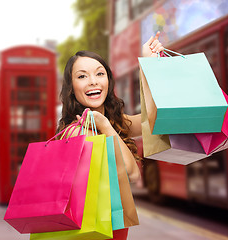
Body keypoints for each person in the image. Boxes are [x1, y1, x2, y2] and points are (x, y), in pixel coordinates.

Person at [56, 32, 163, 239]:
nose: (93, 82)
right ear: (72, 89)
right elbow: (132, 173)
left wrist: (149, 67)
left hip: (111, 228)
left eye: (99, 74)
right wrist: (106, 127)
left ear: (108, 80)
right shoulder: (77, 132)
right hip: (94, 232)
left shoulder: (112, 121)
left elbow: (154, 119)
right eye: (82, 76)